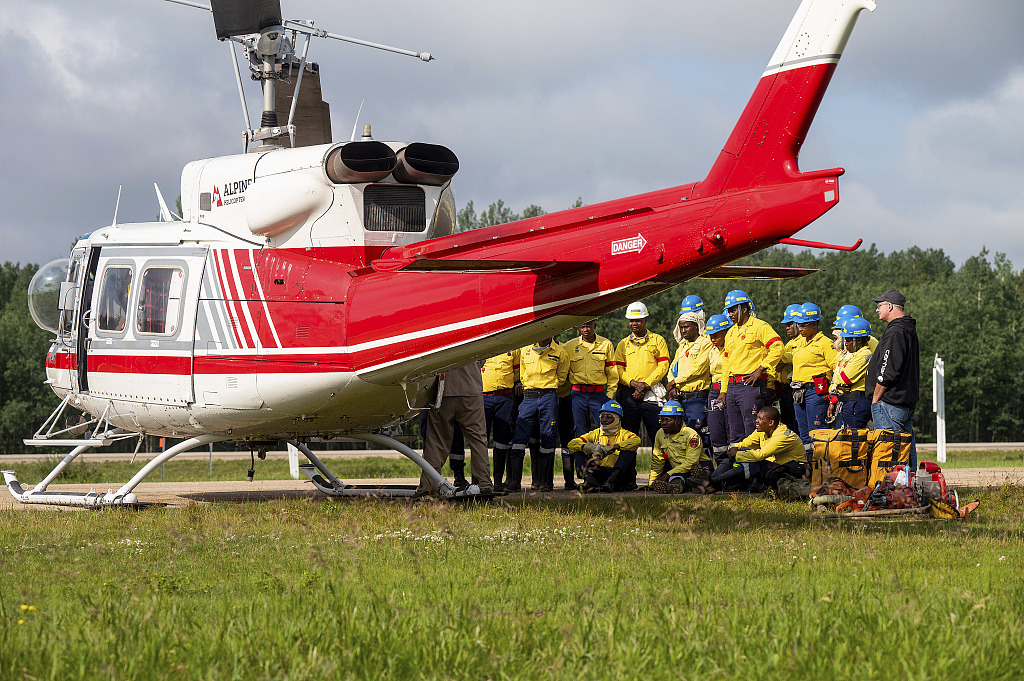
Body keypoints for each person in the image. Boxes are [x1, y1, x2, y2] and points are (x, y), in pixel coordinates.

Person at [416, 362, 494, 496]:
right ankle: (484, 483)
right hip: (471, 389)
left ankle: (429, 485)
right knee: (478, 439)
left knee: (436, 441)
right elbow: (482, 358)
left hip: (443, 391)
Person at [718, 290, 785, 445]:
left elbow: (778, 347)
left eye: (733, 310)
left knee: (751, 429)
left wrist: (760, 369)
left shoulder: (760, 326)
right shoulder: (731, 333)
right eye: (729, 311)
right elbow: (726, 364)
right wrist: (723, 390)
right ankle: (739, 467)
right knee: (734, 431)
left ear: (745, 308)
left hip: (750, 386)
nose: (730, 314)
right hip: (732, 387)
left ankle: (754, 468)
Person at [866, 289, 920, 468]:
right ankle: (909, 487)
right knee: (905, 448)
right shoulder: (907, 330)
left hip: (889, 403)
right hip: (904, 401)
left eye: (879, 306)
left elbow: (887, 369)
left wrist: (876, 397)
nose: (877, 310)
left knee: (889, 451)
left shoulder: (895, 332)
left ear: (889, 306)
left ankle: (891, 491)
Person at [509, 337, 569, 492]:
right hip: (528, 398)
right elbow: (522, 375)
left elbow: (561, 378)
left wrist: (546, 388)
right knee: (519, 438)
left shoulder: (560, 353)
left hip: (548, 397)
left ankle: (545, 482)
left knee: (548, 437)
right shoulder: (526, 350)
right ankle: (515, 482)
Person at [563, 320, 618, 488]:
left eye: (588, 326)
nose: (585, 329)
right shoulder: (569, 346)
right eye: (582, 326)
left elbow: (613, 374)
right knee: (580, 434)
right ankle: (585, 474)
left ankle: (607, 474)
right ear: (578, 328)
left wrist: (608, 398)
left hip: (599, 395)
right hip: (577, 394)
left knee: (605, 433)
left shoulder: (606, 344)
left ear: (595, 325)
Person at [709, 405, 804, 492]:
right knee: (741, 453)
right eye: (757, 417)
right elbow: (746, 443)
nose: (756, 420)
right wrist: (736, 448)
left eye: (760, 418)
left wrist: (736, 454)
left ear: (770, 423)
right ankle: (713, 480)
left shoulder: (783, 435)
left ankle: (713, 482)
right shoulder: (762, 430)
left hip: (790, 471)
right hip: (771, 468)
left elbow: (760, 455)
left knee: (750, 460)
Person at [786, 302, 837, 463]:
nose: (799, 329)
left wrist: (833, 393)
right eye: (798, 325)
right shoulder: (798, 342)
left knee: (817, 430)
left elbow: (836, 367)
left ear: (814, 324)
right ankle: (808, 467)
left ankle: (821, 468)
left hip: (815, 392)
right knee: (803, 432)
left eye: (803, 325)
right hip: (798, 392)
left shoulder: (825, 343)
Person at [614, 301, 670, 447]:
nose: (634, 323)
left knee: (657, 435)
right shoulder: (622, 344)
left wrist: (645, 385)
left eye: (638, 320)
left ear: (645, 320)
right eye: (631, 320)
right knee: (627, 437)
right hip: (629, 395)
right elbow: (618, 370)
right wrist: (634, 384)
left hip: (651, 393)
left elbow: (664, 365)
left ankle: (658, 470)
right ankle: (627, 470)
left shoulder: (658, 340)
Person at [568, 400, 641, 493]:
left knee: (629, 450)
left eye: (609, 417)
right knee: (578, 448)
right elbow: (571, 444)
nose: (604, 420)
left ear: (617, 419)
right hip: (598, 473)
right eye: (602, 416)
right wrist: (589, 447)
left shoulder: (625, 434)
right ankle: (589, 481)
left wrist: (615, 446)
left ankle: (611, 482)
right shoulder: (595, 433)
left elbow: (637, 441)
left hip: (619, 476)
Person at [666, 298, 713, 430]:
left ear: (696, 326)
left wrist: (675, 382)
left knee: (696, 434)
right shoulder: (682, 347)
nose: (683, 330)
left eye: (686, 326)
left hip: (697, 399)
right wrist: (672, 386)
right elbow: (672, 368)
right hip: (680, 398)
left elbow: (698, 369)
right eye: (681, 327)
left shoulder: (706, 343)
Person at [648, 401, 713, 493]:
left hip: (699, 465)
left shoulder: (691, 435)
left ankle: (701, 482)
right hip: (679, 469)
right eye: (662, 420)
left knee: (704, 473)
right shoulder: (660, 433)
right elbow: (657, 460)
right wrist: (651, 483)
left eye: (668, 420)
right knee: (677, 477)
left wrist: (666, 475)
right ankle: (677, 487)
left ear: (678, 420)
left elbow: (691, 462)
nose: (664, 423)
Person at [481, 349, 520, 492]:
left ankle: (497, 482)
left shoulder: (514, 348)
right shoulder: (482, 344)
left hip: (505, 397)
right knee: (480, 439)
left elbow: (517, 372)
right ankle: (478, 481)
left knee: (502, 441)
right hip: (483, 398)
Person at [827, 316, 873, 429]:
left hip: (857, 402)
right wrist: (839, 385)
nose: (845, 343)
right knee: (845, 439)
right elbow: (838, 378)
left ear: (858, 340)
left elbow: (845, 378)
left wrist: (837, 380)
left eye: (848, 340)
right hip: (848, 401)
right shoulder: (852, 354)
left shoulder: (864, 354)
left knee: (854, 439)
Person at [704, 314, 733, 464]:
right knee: (715, 431)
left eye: (716, 335)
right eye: (710, 336)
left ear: (726, 332)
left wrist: (725, 391)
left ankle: (734, 468)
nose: (712, 339)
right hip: (714, 392)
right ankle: (721, 467)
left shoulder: (732, 348)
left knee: (731, 429)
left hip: (728, 390)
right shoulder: (712, 350)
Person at [775, 304, 803, 433]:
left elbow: (794, 357)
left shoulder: (803, 341)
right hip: (786, 390)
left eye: (790, 324)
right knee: (788, 425)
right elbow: (780, 365)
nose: (787, 327)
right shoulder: (790, 343)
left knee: (798, 425)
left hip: (797, 390)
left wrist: (776, 354)